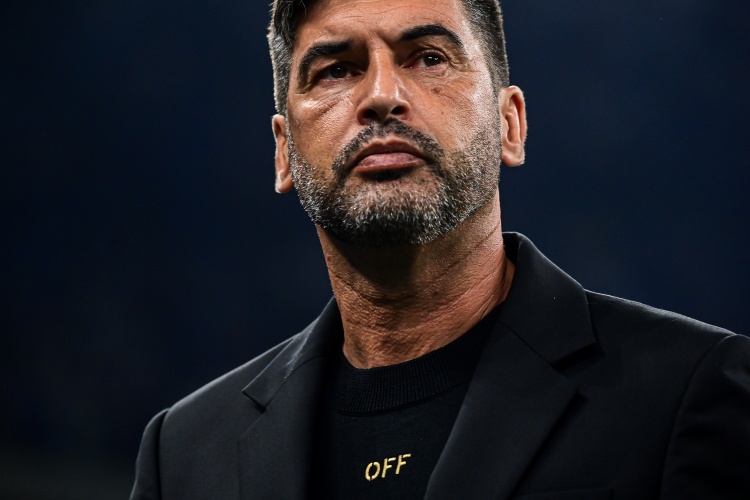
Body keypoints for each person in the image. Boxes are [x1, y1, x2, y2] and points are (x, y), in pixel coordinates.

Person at [130, 0, 750, 498]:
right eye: (337, 69)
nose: (381, 95)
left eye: (429, 58)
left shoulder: (686, 392)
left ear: (510, 124)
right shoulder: (182, 454)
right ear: (284, 151)